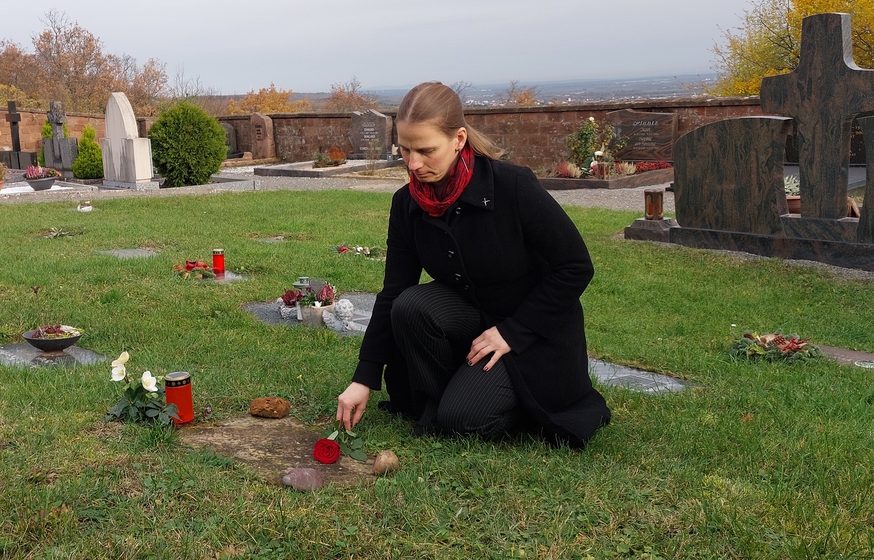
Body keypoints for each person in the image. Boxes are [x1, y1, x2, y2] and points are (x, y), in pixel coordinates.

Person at [335, 82, 610, 447]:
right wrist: (365, 376)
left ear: (459, 138)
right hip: (471, 323)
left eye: (426, 150)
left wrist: (514, 331)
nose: (414, 164)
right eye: (405, 149)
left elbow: (575, 266)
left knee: (463, 421)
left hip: (533, 334)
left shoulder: (512, 186)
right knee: (411, 306)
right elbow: (393, 292)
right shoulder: (407, 204)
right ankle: (447, 397)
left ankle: (474, 401)